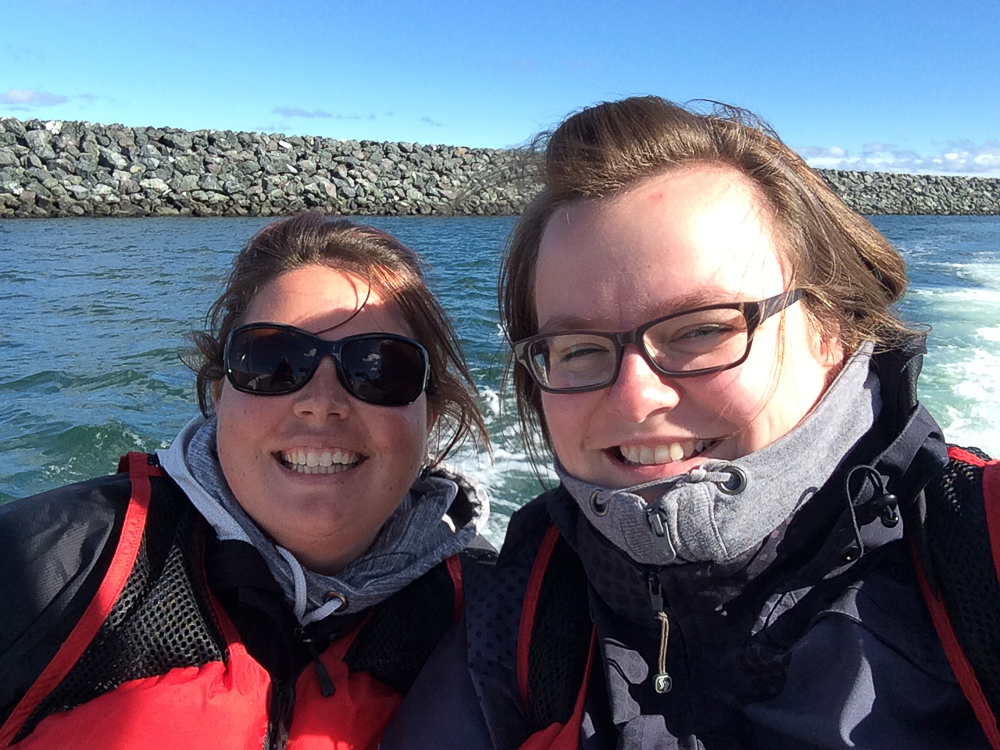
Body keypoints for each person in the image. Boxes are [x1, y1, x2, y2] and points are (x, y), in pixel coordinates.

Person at [382, 97, 998, 749]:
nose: (634, 397)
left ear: (833, 330)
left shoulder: (974, 554)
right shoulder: (519, 613)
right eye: (581, 348)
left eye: (703, 330)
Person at [0, 212, 492, 749]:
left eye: (379, 369)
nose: (321, 404)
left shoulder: (499, 618)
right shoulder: (48, 569)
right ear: (218, 395)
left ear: (431, 413)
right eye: (273, 362)